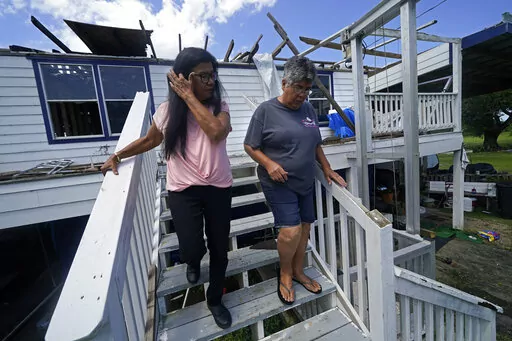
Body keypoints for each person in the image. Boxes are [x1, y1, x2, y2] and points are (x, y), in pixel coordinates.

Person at [100, 47, 233, 329]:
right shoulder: (165, 112)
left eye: (213, 75)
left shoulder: (220, 107)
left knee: (220, 249)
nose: (211, 81)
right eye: (204, 76)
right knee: (190, 246)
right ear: (183, 79)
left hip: (219, 188)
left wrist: (188, 96)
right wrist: (118, 155)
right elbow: (150, 140)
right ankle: (194, 261)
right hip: (183, 191)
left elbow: (216, 132)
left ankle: (214, 300)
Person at [243, 56, 347, 305]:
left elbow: (315, 143)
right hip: (278, 182)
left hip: (305, 181)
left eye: (307, 88)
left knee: (305, 228)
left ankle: (299, 271)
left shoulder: (309, 109)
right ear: (284, 83)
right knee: (290, 231)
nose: (303, 93)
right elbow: (249, 145)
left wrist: (327, 168)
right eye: (298, 87)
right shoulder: (266, 111)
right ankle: (286, 273)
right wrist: (269, 163)